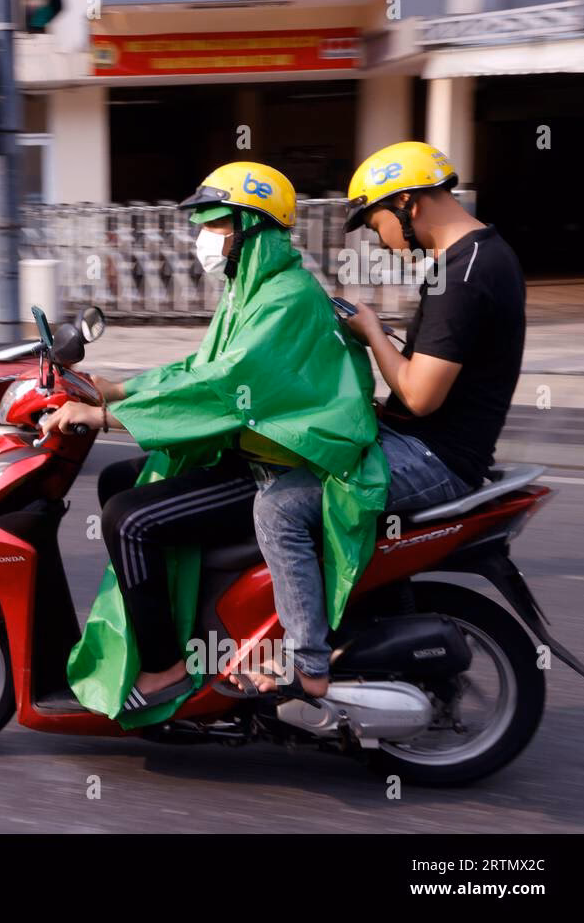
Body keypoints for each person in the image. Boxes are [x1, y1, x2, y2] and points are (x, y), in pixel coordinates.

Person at [55, 162, 388, 720]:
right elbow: (200, 366)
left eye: (215, 224)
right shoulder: (251, 291)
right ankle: (201, 616)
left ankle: (165, 668)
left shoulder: (284, 298)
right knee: (119, 479)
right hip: (256, 453)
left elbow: (222, 386)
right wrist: (117, 389)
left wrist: (107, 418)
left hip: (284, 471)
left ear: (253, 229)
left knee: (128, 519)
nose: (203, 237)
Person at [245, 141, 526, 696]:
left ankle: (307, 667)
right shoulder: (483, 255)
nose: (379, 239)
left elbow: (421, 395)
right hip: (434, 441)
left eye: (376, 224)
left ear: (408, 204)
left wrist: (372, 332)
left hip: (436, 456)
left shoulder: (464, 273)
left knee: (278, 509)